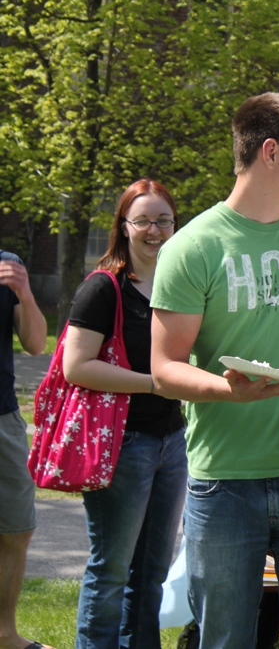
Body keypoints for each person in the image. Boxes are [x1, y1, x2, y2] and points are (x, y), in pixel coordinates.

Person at [151, 92, 279, 649]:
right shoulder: (192, 248)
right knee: (225, 640)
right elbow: (165, 370)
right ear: (270, 152)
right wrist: (229, 392)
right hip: (224, 481)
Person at [61, 180, 187, 649]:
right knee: (112, 569)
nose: (155, 230)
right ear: (124, 226)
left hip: (172, 442)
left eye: (164, 220)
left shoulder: (180, 287)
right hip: (121, 443)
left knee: (152, 570)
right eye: (143, 221)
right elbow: (76, 366)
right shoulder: (104, 287)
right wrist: (155, 382)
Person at [0, 250, 48, 649]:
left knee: (17, 527)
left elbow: (35, 344)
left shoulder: (7, 265)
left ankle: (5, 634)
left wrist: (25, 294)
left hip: (3, 419)